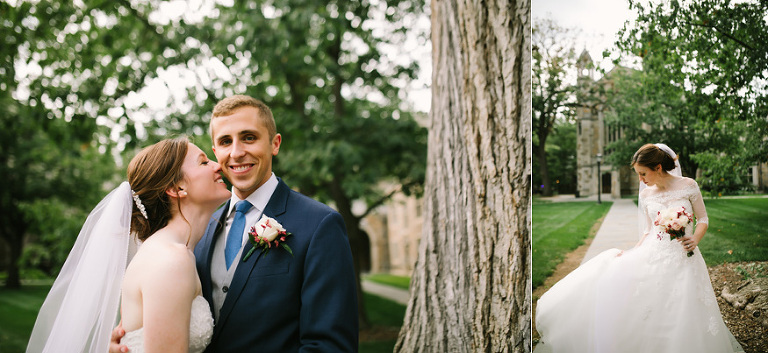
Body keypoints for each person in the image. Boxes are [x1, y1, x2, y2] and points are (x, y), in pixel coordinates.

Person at [110, 95, 359, 352]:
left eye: (249, 137)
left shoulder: (319, 225)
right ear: (216, 152)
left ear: (275, 144)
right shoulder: (194, 236)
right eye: (225, 142)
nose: (237, 153)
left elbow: (330, 346)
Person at [27, 137, 232, 353]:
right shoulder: (170, 259)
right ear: (177, 187)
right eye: (203, 162)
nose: (218, 165)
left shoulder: (174, 251)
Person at [535, 143, 744, 353]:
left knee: (686, 307)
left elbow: (704, 218)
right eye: (638, 174)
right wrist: (632, 252)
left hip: (685, 255)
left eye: (643, 174)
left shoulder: (688, 185)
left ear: (658, 168)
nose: (641, 180)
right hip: (654, 254)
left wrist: (696, 238)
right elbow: (648, 230)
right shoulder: (646, 196)